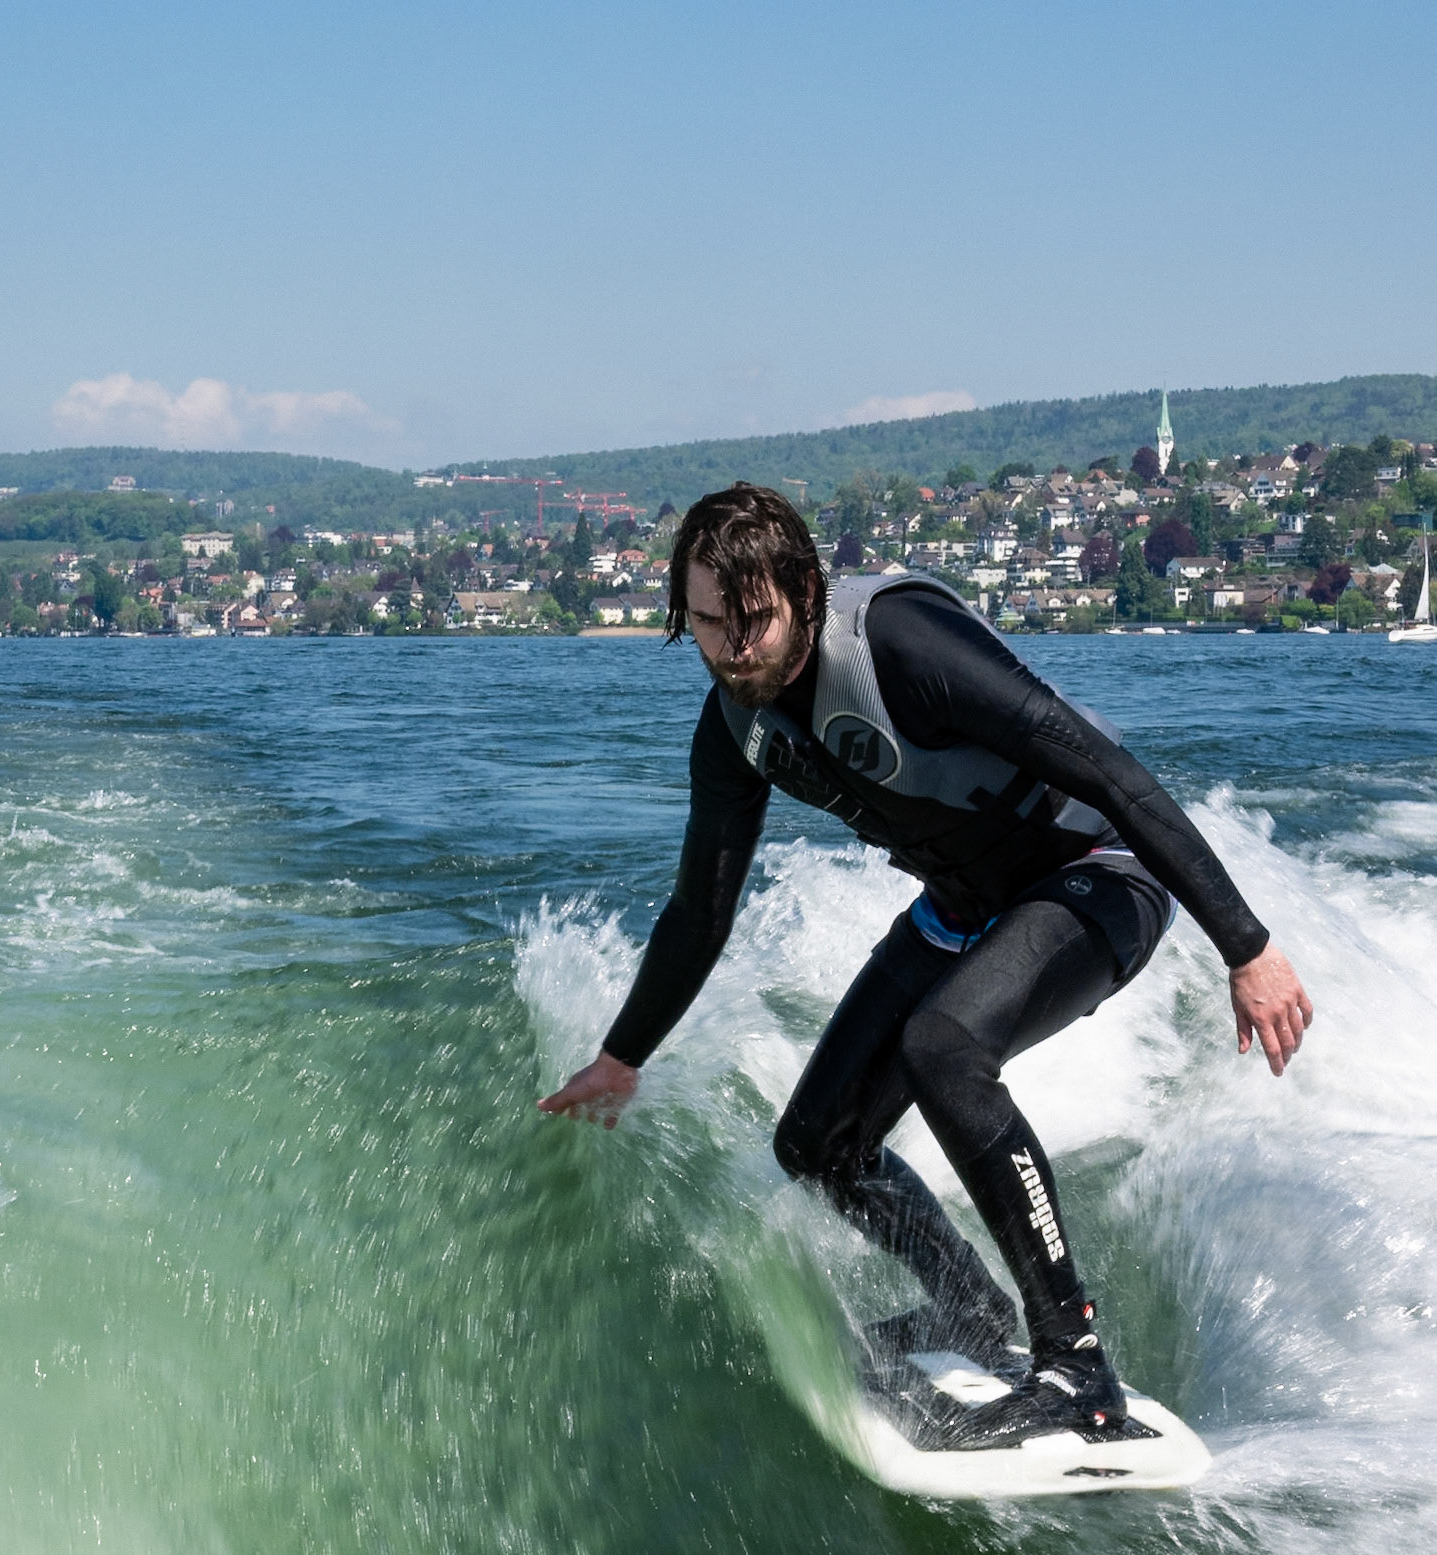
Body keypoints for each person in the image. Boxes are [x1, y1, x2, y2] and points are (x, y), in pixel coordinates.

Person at [539, 482, 1312, 1447]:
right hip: (963, 908)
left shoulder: (901, 646)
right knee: (817, 1143)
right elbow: (700, 911)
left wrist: (1246, 946)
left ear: (804, 592)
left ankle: (1077, 1369)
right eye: (706, 623)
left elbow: (1112, 775)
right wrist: (623, 1055)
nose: (735, 648)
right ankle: (970, 1312)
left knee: (943, 1043)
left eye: (754, 621)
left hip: (1094, 874)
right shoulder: (734, 728)